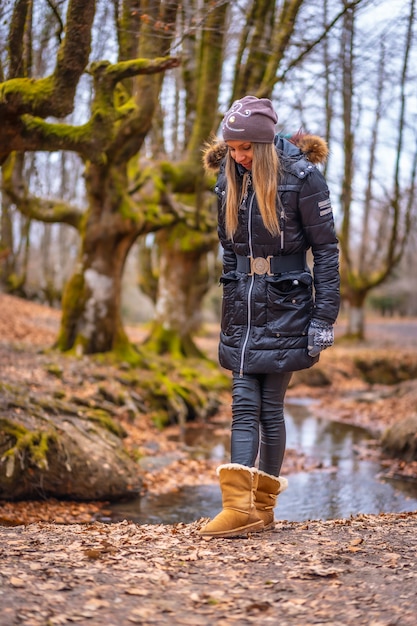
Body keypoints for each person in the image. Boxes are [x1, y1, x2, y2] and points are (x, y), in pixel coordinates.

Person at [199, 95, 340, 539]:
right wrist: (230, 291)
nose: (238, 156)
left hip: (289, 304)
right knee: (243, 402)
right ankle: (237, 507)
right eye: (233, 148)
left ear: (263, 144)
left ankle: (261, 508)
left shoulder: (303, 178)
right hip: (242, 303)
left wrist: (324, 318)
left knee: (270, 408)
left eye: (245, 149)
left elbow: (327, 251)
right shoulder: (227, 181)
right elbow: (228, 249)